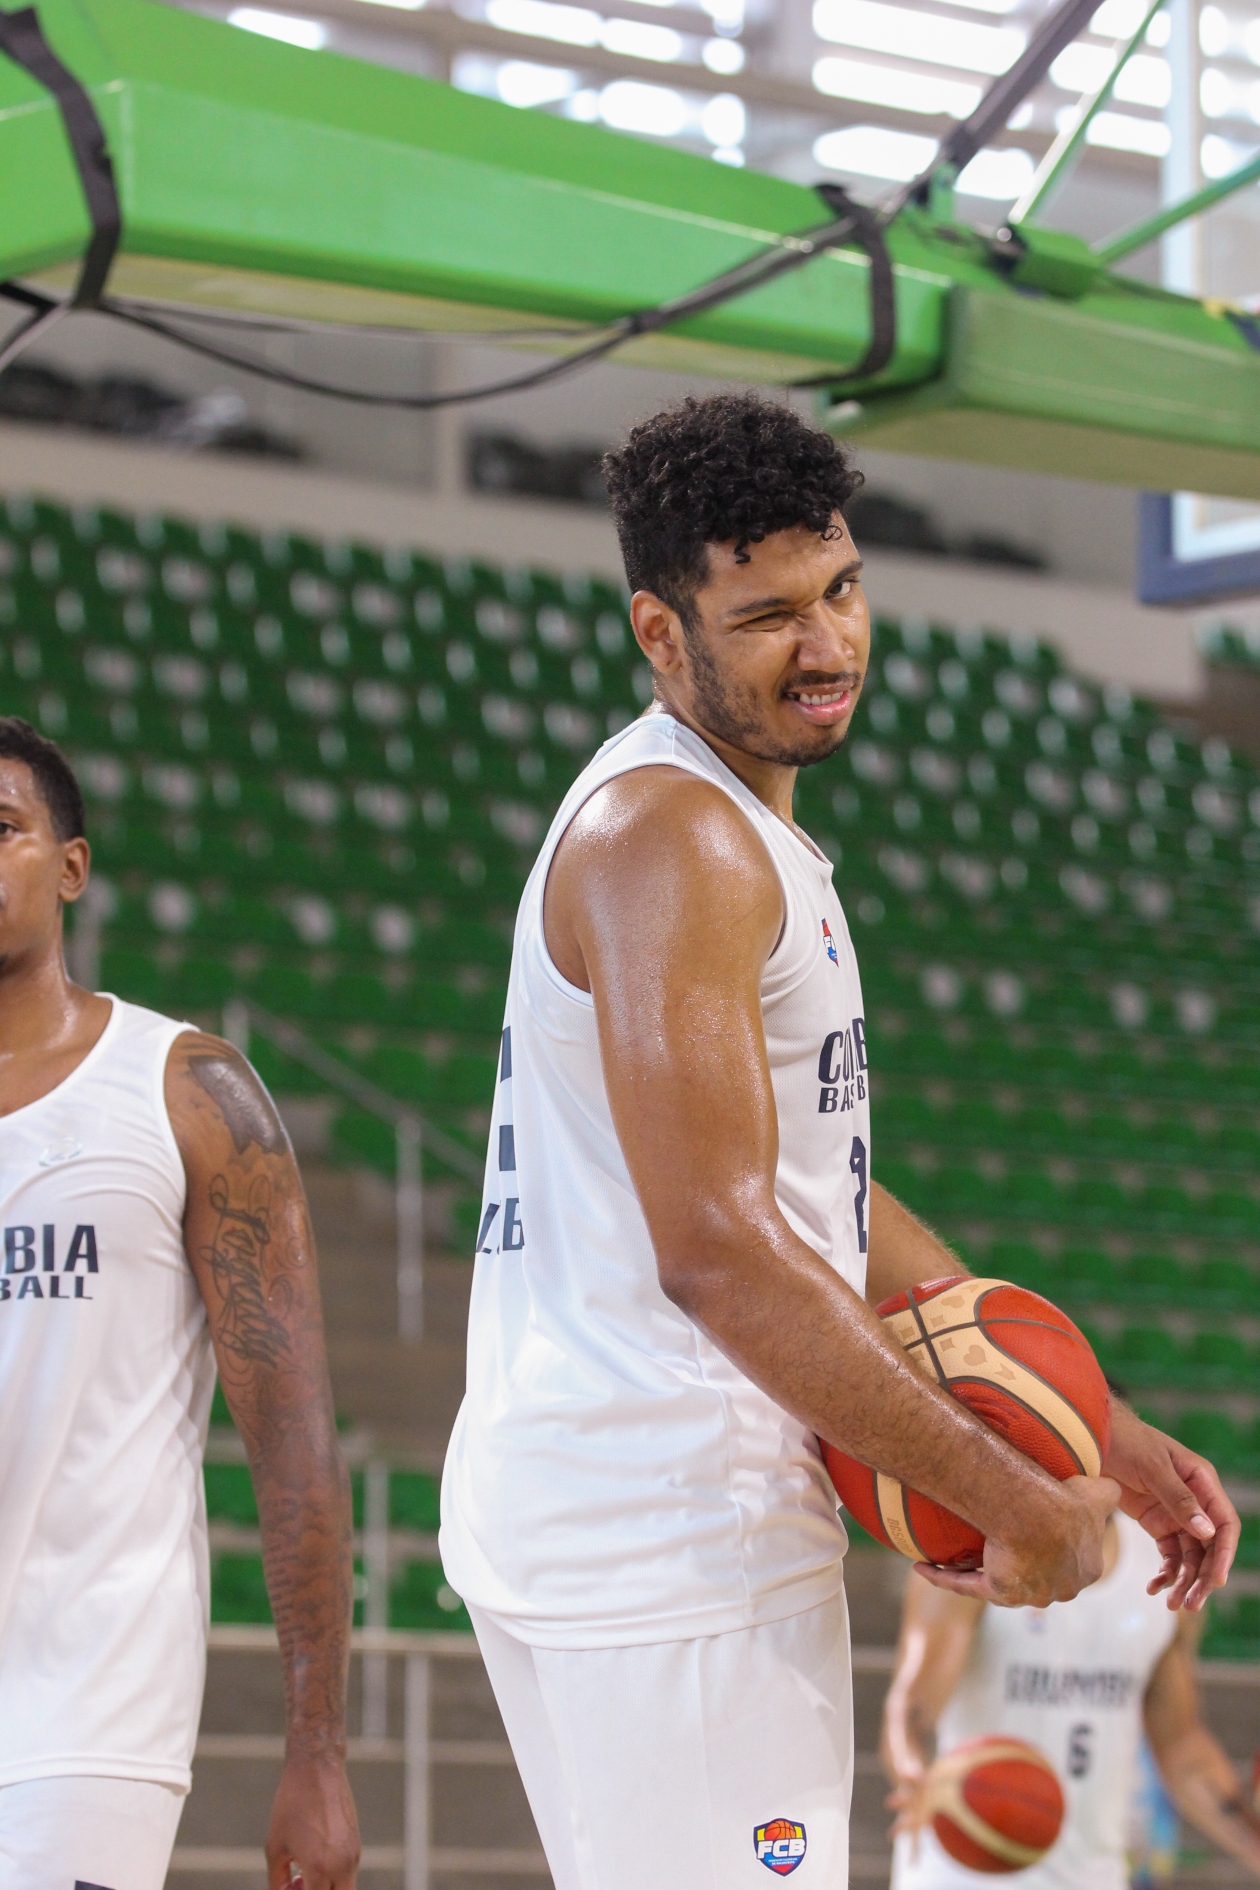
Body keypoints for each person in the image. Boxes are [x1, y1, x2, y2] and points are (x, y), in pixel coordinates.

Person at [439, 393, 1237, 1890]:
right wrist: (1015, 1499)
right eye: (766, 617)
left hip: (644, 1523)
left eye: (843, 589)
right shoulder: (671, 841)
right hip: (671, 1536)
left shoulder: (733, 829)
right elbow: (726, 1253)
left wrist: (1094, 1432)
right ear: (660, 636)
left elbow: (825, 1191)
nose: (827, 645)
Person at [0, 716, 360, 1890]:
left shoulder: (190, 1093)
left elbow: (294, 1442)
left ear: (71, 865)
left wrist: (318, 1749)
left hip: (87, 1702)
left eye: (0, 829)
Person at [883, 1509, 1260, 1887]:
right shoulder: (972, 1550)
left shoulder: (1165, 1566)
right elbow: (913, 1707)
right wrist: (911, 1768)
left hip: (1094, 1875)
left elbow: (1182, 1747)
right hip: (963, 1869)